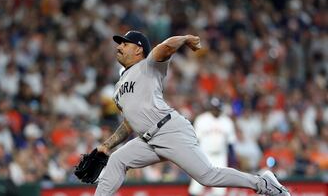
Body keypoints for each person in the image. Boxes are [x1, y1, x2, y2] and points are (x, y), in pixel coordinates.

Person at [94, 30, 290, 196]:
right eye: (119, 44)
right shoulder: (118, 86)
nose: (119, 46)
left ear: (138, 49)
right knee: (117, 160)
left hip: (168, 130)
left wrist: (185, 38)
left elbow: (165, 47)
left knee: (207, 176)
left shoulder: (148, 66)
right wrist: (106, 145)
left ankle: (262, 183)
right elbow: (129, 122)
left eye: (124, 44)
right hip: (147, 140)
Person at [188, 97, 237, 196]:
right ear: (210, 108)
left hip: (220, 156)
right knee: (196, 186)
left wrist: (233, 160)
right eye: (213, 108)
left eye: (217, 108)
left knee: (220, 189)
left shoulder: (227, 121)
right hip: (204, 155)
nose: (215, 110)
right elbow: (194, 140)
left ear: (221, 108)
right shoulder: (202, 119)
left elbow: (231, 143)